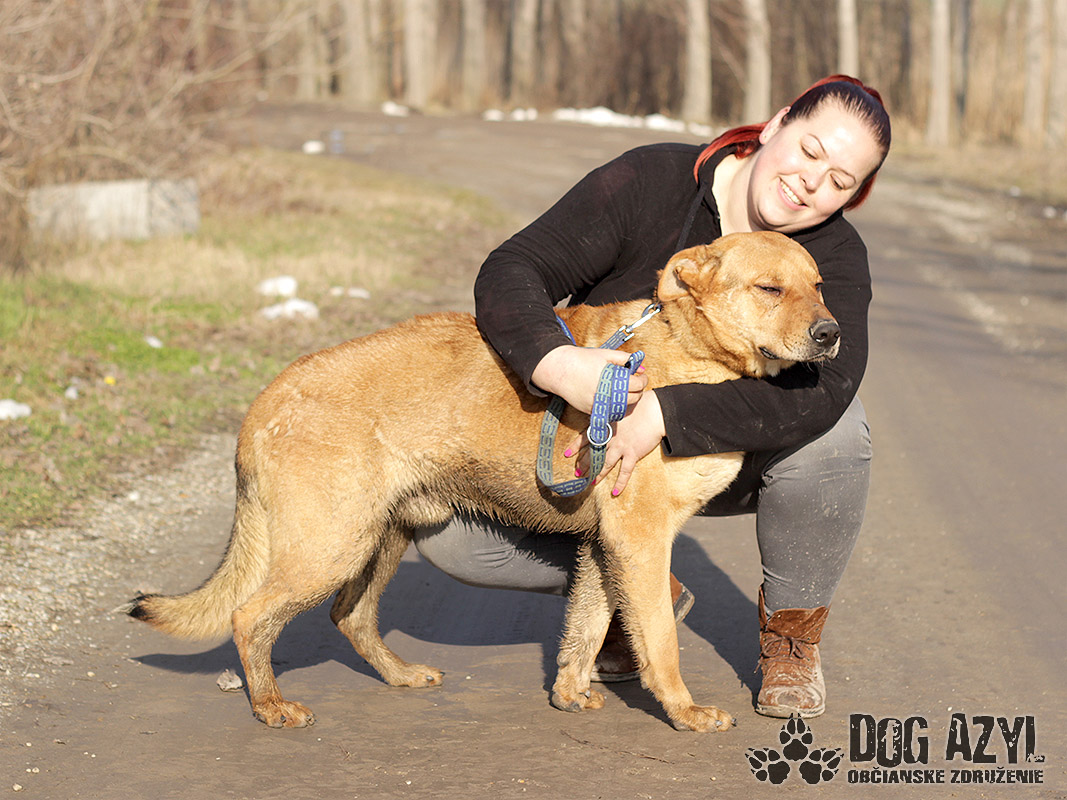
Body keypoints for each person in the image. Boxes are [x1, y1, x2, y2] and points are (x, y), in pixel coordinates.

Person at [413, 75, 891, 719]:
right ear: (777, 123)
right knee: (453, 538)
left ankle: (791, 638)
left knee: (838, 436)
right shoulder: (651, 182)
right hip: (597, 444)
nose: (812, 182)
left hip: (740, 452)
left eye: (839, 181)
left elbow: (827, 392)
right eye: (810, 150)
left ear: (854, 196)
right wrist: (558, 364)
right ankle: (638, 586)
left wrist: (667, 413)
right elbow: (513, 269)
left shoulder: (834, 254)